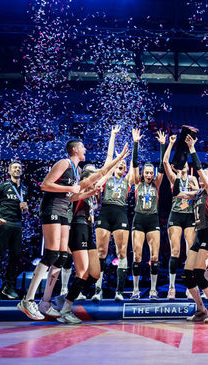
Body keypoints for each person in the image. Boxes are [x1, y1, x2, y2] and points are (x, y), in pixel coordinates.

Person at [17, 139, 125, 320]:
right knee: (53, 255)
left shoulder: (76, 171)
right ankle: (29, 300)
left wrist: (89, 193)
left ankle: (46, 302)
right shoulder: (64, 163)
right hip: (56, 212)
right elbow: (45, 185)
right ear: (75, 150)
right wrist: (72, 188)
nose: (85, 149)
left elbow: (73, 195)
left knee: (61, 257)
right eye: (82, 147)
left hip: (65, 214)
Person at [179, 134, 208, 322]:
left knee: (199, 273)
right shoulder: (198, 194)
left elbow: (199, 169)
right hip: (199, 235)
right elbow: (179, 193)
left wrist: (192, 149)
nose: (202, 176)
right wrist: (175, 172)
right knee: (187, 276)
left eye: (206, 175)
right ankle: (201, 310)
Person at [53, 168, 105, 323]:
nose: (96, 181)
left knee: (95, 274)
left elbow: (105, 174)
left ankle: (66, 297)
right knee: (82, 273)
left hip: (87, 229)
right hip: (77, 228)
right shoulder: (79, 190)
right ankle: (65, 310)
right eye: (93, 178)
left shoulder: (92, 194)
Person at [93, 125, 132, 301]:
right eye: (119, 163)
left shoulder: (127, 180)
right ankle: (97, 290)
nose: (121, 165)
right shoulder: (107, 176)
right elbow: (109, 157)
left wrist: (133, 146)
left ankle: (119, 291)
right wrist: (112, 135)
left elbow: (134, 165)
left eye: (124, 164)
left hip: (120, 213)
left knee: (121, 252)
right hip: (105, 211)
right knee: (101, 252)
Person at [130, 129, 166, 299]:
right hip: (139, 219)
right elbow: (134, 164)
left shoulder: (156, 184)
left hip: (153, 220)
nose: (149, 175)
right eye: (147, 172)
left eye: (151, 173)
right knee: (137, 256)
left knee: (155, 256)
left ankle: (153, 290)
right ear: (143, 174)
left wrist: (162, 146)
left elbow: (163, 167)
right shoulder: (137, 183)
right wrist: (136, 143)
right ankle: (136, 290)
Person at [163, 134, 199, 299]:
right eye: (180, 162)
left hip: (190, 216)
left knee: (191, 251)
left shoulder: (193, 179)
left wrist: (192, 191)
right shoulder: (174, 178)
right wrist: (170, 144)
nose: (184, 163)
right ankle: (171, 287)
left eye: (185, 161)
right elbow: (165, 162)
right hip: (176, 216)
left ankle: (190, 287)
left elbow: (198, 193)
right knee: (176, 251)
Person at [0, 161, 28, 301]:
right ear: (9, 171)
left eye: (19, 168)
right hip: (3, 224)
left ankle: (8, 287)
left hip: (17, 225)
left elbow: (24, 210)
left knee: (15, 257)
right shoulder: (3, 186)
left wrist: (25, 209)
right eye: (14, 167)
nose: (17, 169)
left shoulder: (24, 189)